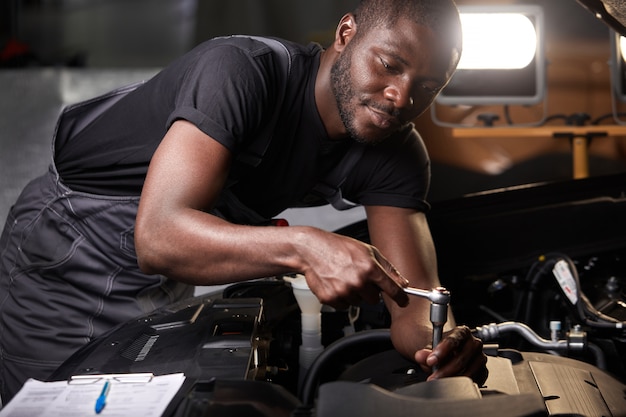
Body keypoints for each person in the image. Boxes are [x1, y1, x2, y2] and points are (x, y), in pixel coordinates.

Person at [0, 0, 487, 404]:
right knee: (61, 405)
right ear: (345, 33)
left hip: (170, 268)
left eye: (427, 86)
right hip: (73, 244)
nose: (400, 97)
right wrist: (304, 248)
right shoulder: (241, 71)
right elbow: (158, 237)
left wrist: (439, 345)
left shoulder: (397, 151)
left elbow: (413, 303)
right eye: (389, 64)